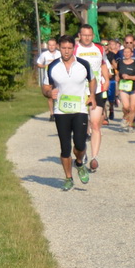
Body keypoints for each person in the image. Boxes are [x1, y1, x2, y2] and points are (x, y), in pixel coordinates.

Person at [40, 35, 96, 191]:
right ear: (59, 48)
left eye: (69, 48)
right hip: (61, 110)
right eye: (63, 48)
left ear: (74, 48)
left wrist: (92, 95)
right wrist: (49, 93)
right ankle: (68, 178)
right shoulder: (52, 67)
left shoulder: (83, 64)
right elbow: (45, 87)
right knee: (65, 147)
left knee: (79, 143)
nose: (66, 51)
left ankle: (79, 163)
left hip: (80, 109)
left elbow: (92, 79)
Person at [74, 25, 111, 172]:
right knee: (81, 125)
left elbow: (103, 64)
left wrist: (106, 79)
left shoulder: (99, 48)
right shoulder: (75, 49)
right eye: (84, 35)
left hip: (97, 90)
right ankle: (81, 152)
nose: (87, 37)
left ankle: (94, 157)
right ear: (80, 35)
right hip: (79, 90)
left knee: (95, 124)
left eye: (90, 35)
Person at [114, 35, 135, 131]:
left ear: (134, 43)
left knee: (134, 106)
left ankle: (130, 123)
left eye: (130, 42)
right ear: (124, 43)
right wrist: (117, 75)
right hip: (124, 85)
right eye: (127, 42)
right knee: (126, 107)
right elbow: (114, 62)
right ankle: (126, 118)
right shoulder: (120, 54)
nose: (128, 44)